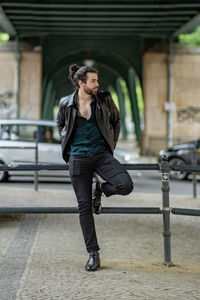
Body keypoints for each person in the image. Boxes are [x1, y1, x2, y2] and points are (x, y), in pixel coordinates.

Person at [57, 64, 133, 271]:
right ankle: (93, 253)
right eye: (93, 81)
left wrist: (111, 147)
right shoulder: (66, 103)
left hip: (101, 156)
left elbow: (116, 122)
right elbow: (60, 125)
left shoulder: (105, 99)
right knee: (84, 207)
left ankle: (99, 189)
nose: (97, 84)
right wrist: (68, 146)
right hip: (78, 158)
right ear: (81, 83)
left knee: (125, 185)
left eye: (97, 80)